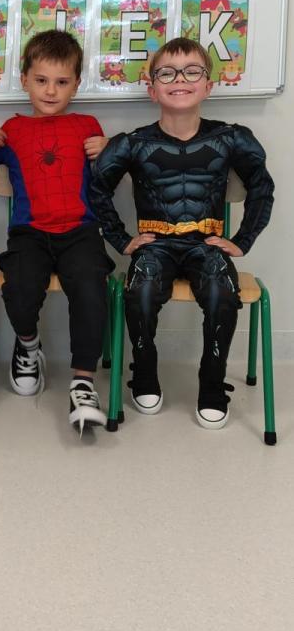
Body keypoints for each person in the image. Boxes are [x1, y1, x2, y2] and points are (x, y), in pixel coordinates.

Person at [90, 37, 274, 428]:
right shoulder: (132, 143)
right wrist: (121, 239)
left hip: (205, 245)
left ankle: (212, 383)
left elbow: (262, 185)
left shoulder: (231, 137)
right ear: (151, 88)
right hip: (155, 245)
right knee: (140, 292)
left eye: (192, 71)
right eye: (167, 73)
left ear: (208, 85)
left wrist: (242, 240)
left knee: (222, 293)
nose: (180, 80)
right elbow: (96, 189)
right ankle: (144, 373)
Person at [0, 31, 112, 434]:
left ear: (76, 84)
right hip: (29, 233)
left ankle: (83, 382)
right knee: (19, 285)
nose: (51, 91)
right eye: (42, 80)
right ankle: (29, 346)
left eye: (62, 82)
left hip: (81, 231)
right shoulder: (13, 129)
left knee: (90, 286)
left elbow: (108, 179)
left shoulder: (87, 125)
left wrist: (110, 150)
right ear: (25, 80)